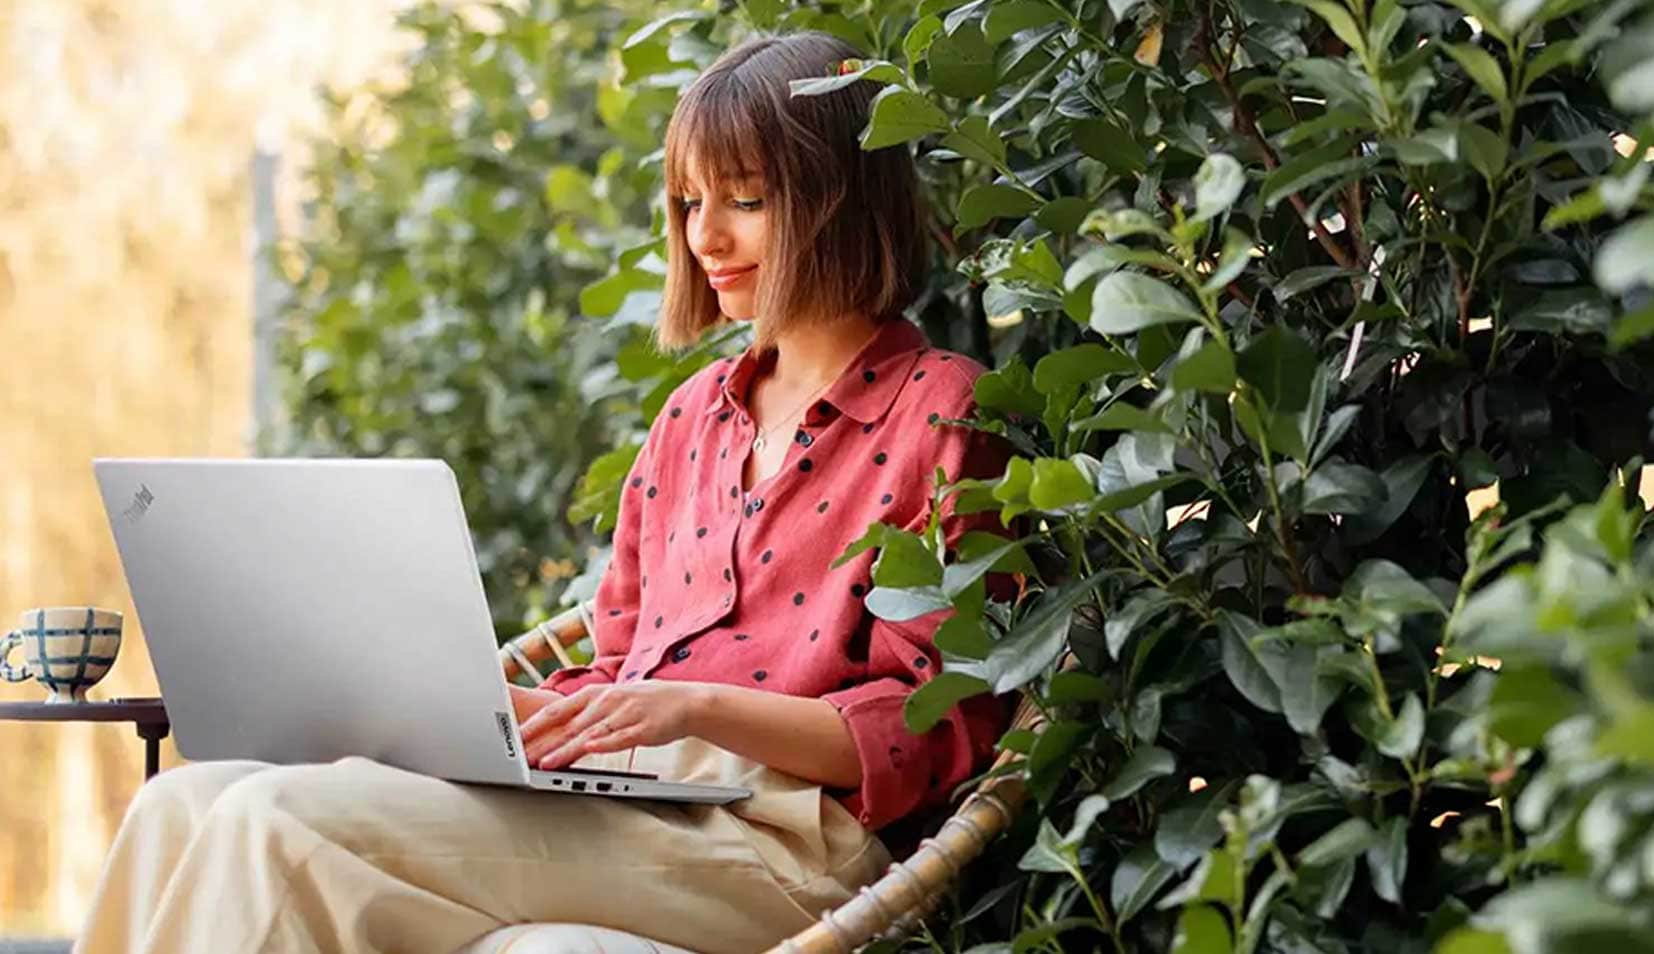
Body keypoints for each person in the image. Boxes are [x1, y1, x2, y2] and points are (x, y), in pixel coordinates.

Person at [73, 30, 1017, 954]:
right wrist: (431, 704)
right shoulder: (691, 421)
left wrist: (690, 707)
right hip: (626, 795)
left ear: (841, 202)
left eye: (748, 200)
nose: (706, 236)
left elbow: (938, 723)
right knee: (179, 805)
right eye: (690, 201)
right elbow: (613, 672)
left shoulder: (940, 412)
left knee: (276, 825)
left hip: (785, 843)